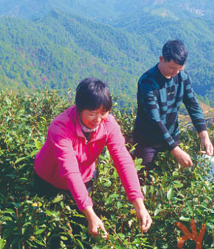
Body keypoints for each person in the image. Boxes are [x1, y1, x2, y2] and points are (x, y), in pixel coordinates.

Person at [34, 77, 152, 238]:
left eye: (103, 113)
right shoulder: (61, 127)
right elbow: (70, 171)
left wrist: (138, 203)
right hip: (49, 180)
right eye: (92, 113)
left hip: (84, 178)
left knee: (78, 229)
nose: (98, 120)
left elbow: (123, 160)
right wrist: (89, 212)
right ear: (79, 108)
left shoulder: (108, 124)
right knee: (47, 229)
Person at [133, 40, 214, 170]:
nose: (176, 72)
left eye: (179, 69)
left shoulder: (182, 76)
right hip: (147, 141)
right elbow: (155, 120)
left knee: (174, 178)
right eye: (172, 68)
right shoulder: (147, 82)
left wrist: (204, 136)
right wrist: (176, 151)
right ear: (161, 59)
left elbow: (193, 105)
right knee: (144, 179)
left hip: (172, 136)